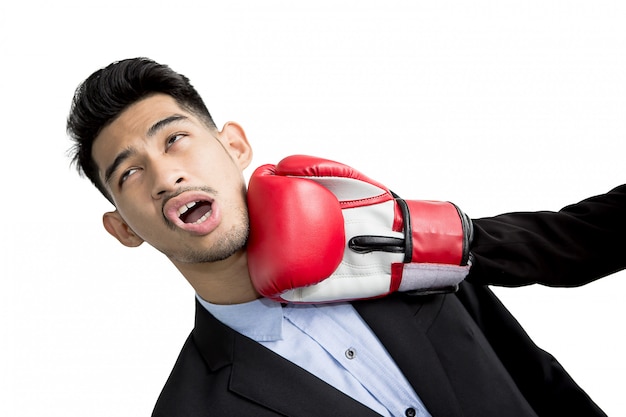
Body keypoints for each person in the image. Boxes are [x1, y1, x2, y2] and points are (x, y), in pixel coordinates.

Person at [66, 57, 625, 417]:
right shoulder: (190, 410)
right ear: (122, 228)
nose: (167, 177)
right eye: (130, 173)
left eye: (176, 140)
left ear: (234, 146)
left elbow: (542, 370)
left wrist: (450, 240)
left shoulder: (393, 254)